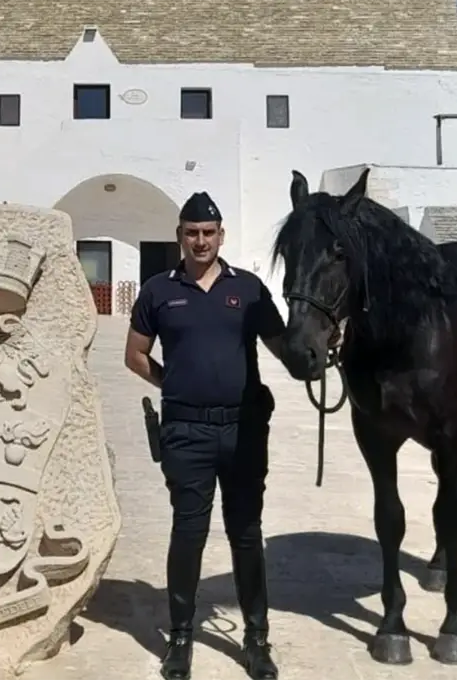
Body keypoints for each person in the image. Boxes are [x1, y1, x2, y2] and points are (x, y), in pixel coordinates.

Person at [124, 192, 286, 680]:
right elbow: (135, 355)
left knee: (246, 533)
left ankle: (256, 638)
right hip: (186, 431)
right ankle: (180, 639)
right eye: (192, 233)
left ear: (221, 236)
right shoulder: (158, 291)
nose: (201, 241)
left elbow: (286, 347)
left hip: (244, 430)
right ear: (180, 236)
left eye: (209, 233)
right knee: (188, 534)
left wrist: (322, 343)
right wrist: (173, 384)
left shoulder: (249, 290)